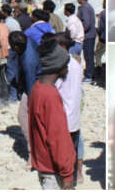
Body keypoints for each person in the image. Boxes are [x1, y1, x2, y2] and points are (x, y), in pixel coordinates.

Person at [28, 36, 76, 189]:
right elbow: (57, 138)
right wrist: (67, 174)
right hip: (54, 170)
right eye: (66, 64)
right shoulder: (50, 96)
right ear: (58, 65)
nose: (67, 68)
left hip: (43, 164)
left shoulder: (37, 87)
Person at [53, 32, 84, 184]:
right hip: (74, 115)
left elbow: (54, 89)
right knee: (73, 148)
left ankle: (66, 182)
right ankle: (73, 180)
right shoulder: (76, 63)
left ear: (62, 46)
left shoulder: (61, 65)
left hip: (64, 114)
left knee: (64, 152)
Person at [7, 30, 41, 165]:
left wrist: (33, 105)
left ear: (16, 47)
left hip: (35, 88)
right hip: (36, 84)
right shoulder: (28, 41)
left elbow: (31, 83)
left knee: (23, 117)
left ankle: (33, 153)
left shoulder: (28, 61)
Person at [76, 0, 96, 82]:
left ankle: (89, 75)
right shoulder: (88, 6)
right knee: (88, 55)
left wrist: (80, 32)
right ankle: (89, 74)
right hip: (89, 35)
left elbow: (86, 24)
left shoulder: (84, 8)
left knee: (88, 56)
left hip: (87, 36)